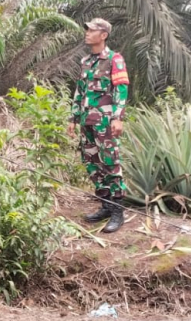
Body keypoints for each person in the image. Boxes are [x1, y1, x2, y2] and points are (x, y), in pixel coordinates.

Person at [66, 18, 130, 234]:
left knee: (110, 162)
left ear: (103, 35)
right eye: (87, 30)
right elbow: (79, 92)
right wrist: (73, 118)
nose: (87, 33)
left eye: (91, 30)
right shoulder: (86, 61)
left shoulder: (114, 59)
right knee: (92, 162)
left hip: (105, 122)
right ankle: (106, 205)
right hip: (87, 122)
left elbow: (121, 90)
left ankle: (118, 212)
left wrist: (118, 117)